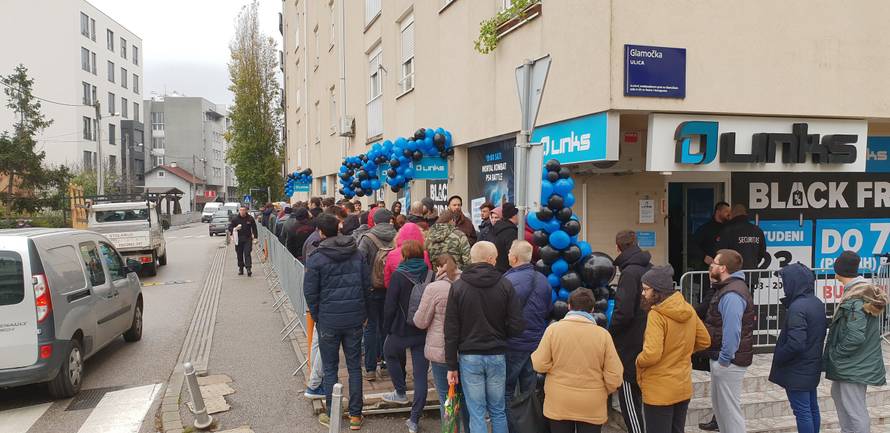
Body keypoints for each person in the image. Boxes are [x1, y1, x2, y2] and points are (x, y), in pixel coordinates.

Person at [445, 241, 525, 433]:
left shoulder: (458, 287)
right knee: (498, 410)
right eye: (496, 257)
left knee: (476, 411)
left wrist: (451, 366)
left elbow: (451, 330)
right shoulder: (505, 285)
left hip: (469, 356)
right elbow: (517, 325)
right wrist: (501, 333)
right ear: (490, 259)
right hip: (497, 353)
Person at [303, 213, 369, 430]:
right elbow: (365, 285)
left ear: (321, 232)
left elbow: (310, 292)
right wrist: (364, 313)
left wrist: (318, 315)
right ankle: (356, 416)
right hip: (354, 318)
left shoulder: (316, 257)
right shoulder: (356, 253)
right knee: (354, 367)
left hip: (329, 320)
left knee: (331, 368)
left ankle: (334, 414)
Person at [531, 288, 624, 433]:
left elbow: (539, 363)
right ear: (592, 309)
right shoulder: (603, 335)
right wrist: (604, 390)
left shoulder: (553, 330)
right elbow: (615, 376)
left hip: (559, 400)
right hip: (591, 403)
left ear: (569, 306)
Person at [636, 265, 711, 433]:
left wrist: (638, 360)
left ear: (658, 291)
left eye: (646, 289)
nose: (643, 293)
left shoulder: (656, 315)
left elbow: (652, 354)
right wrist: (683, 352)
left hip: (659, 390)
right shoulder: (688, 308)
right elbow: (704, 340)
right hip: (682, 386)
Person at [824, 251, 888, 433]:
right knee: (839, 396)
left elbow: (855, 336)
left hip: (853, 364)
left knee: (855, 411)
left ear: (838, 270)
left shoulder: (857, 298)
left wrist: (836, 354)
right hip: (853, 363)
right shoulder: (859, 292)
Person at [413, 254, 470, 433]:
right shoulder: (468, 284)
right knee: (468, 399)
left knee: (447, 398)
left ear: (439, 268)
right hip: (467, 349)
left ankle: (451, 430)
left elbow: (420, 321)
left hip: (441, 351)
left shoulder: (434, 288)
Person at [768, 263, 827, 433]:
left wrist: (779, 356)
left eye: (785, 281)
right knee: (811, 408)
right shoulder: (816, 302)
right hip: (811, 365)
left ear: (793, 282)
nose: (783, 285)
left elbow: (796, 343)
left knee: (803, 412)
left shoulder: (797, 307)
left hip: (797, 369)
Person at [703, 249, 755, 433]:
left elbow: (732, 331)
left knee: (730, 413)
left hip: (728, 362)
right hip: (724, 360)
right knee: (722, 412)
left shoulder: (732, 294)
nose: (710, 266)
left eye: (714, 264)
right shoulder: (727, 288)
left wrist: (724, 360)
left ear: (723, 268)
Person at [381, 240, 430, 433]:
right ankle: (414, 419)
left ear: (405, 255)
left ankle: (400, 391)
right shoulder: (430, 274)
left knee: (389, 353)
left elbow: (390, 306)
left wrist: (387, 328)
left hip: (401, 330)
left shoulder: (398, 275)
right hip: (423, 331)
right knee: (420, 376)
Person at [503, 240, 552, 415]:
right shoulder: (543, 280)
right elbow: (547, 309)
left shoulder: (507, 281)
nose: (507, 254)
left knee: (507, 389)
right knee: (529, 390)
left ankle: (510, 425)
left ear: (514, 258)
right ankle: (528, 423)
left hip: (513, 344)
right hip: (535, 343)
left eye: (509, 251)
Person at [610, 230, 652, 433]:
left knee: (628, 394)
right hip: (648, 338)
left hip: (629, 343)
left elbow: (623, 312)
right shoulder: (650, 268)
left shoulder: (628, 273)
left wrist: (611, 333)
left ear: (618, 247)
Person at [357, 208, 397, 381]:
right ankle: (387, 364)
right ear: (390, 221)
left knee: (371, 327)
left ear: (374, 221)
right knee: (388, 326)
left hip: (372, 289)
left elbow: (360, 262)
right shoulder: (398, 236)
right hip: (392, 288)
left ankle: (371, 368)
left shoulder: (367, 238)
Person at [715, 204, 768, 272]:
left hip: (733, 274)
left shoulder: (728, 230)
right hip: (752, 274)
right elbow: (762, 252)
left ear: (733, 214)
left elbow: (721, 252)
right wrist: (753, 264)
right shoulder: (757, 230)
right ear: (745, 214)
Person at [383, 222, 431, 289]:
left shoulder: (391, 254)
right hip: (418, 292)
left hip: (399, 291)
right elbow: (428, 276)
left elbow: (387, 279)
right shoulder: (424, 253)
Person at [693, 202, 731, 268]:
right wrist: (704, 256)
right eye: (726, 211)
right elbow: (693, 245)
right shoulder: (706, 228)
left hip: (725, 268)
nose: (729, 214)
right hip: (708, 269)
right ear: (718, 211)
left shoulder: (730, 228)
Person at [228, 206, 258, 276]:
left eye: (243, 210)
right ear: (239, 211)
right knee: (239, 254)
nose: (242, 212)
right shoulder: (235, 219)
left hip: (248, 238)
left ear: (246, 211)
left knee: (247, 253)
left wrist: (255, 237)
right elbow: (230, 227)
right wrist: (235, 228)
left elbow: (254, 228)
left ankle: (248, 268)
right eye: (241, 210)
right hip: (238, 239)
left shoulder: (250, 218)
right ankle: (241, 268)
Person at [491, 203, 519, 273]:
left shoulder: (497, 228)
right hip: (507, 272)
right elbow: (513, 254)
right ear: (514, 215)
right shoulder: (510, 232)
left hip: (497, 270)